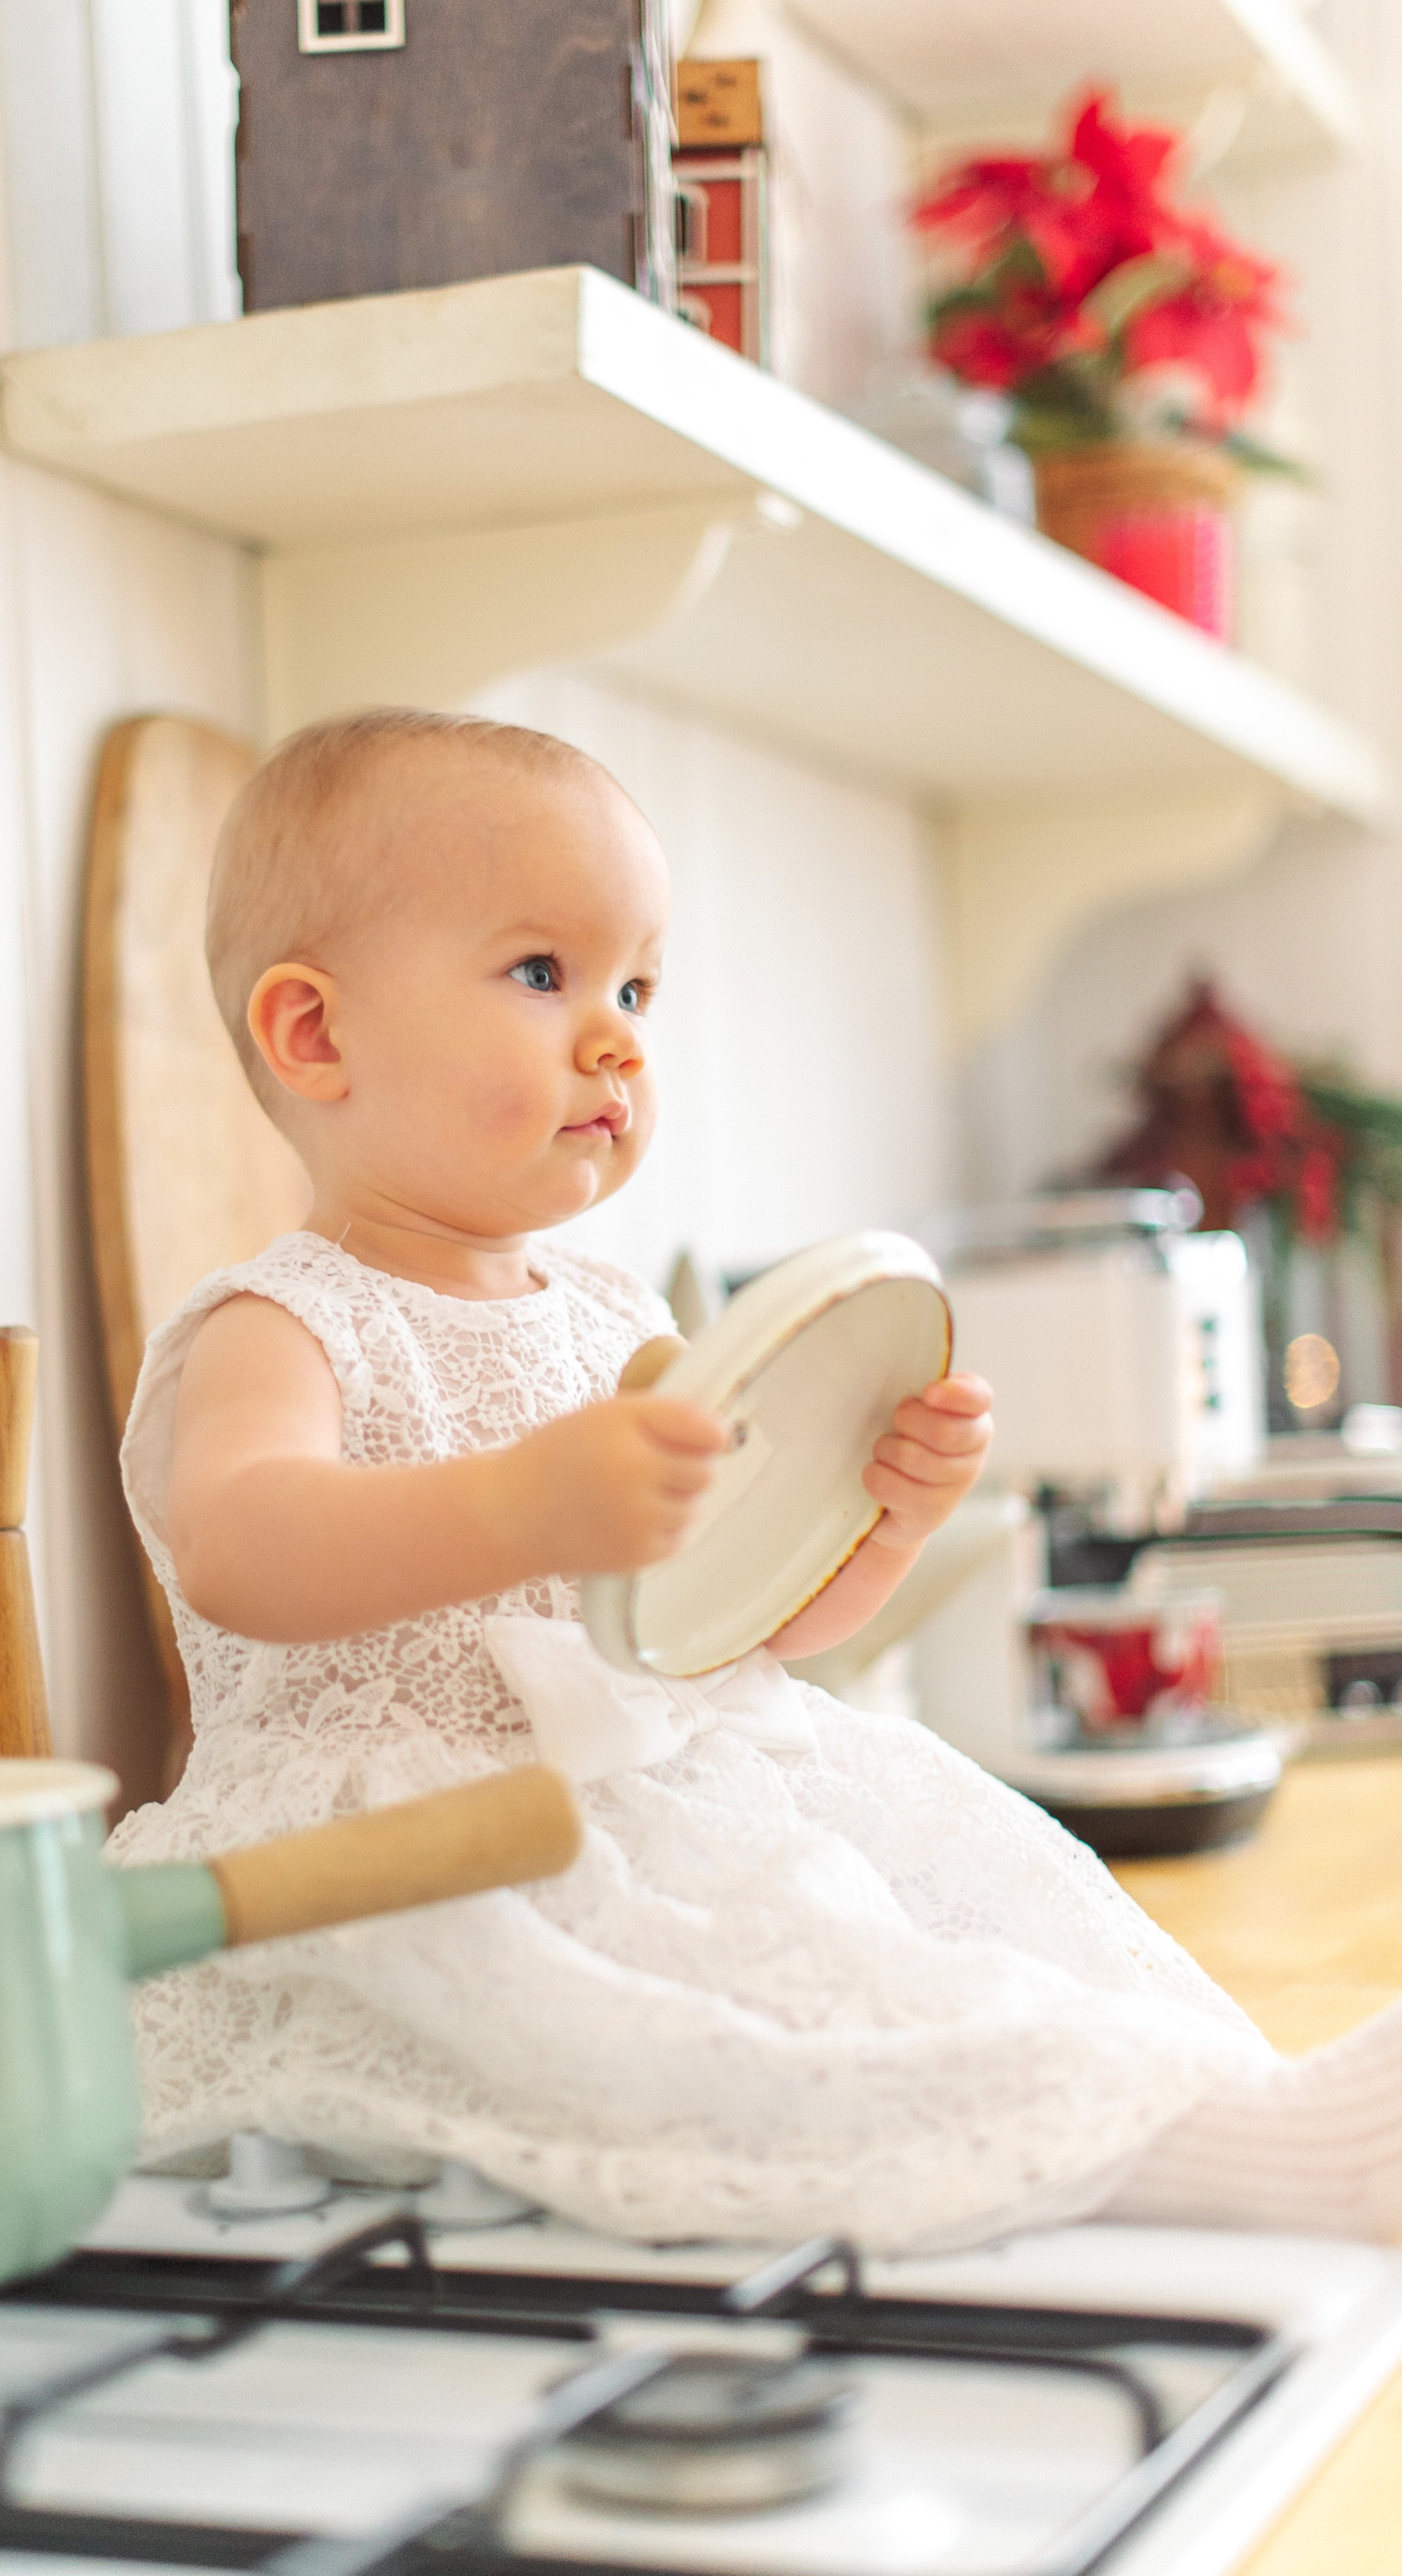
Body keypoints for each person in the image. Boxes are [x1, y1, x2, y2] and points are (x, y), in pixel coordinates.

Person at [108, 707, 1402, 2252]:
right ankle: (1232, 2159)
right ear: (315, 1035)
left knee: (922, 1931)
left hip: (665, 1789)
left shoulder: (616, 1320)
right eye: (543, 973)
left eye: (636, 987)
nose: (617, 1038)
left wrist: (877, 1520)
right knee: (742, 2035)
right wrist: (523, 1505)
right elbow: (238, 1545)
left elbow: (732, 1628)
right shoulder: (285, 1319)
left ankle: (1204, 2110)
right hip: (408, 1851)